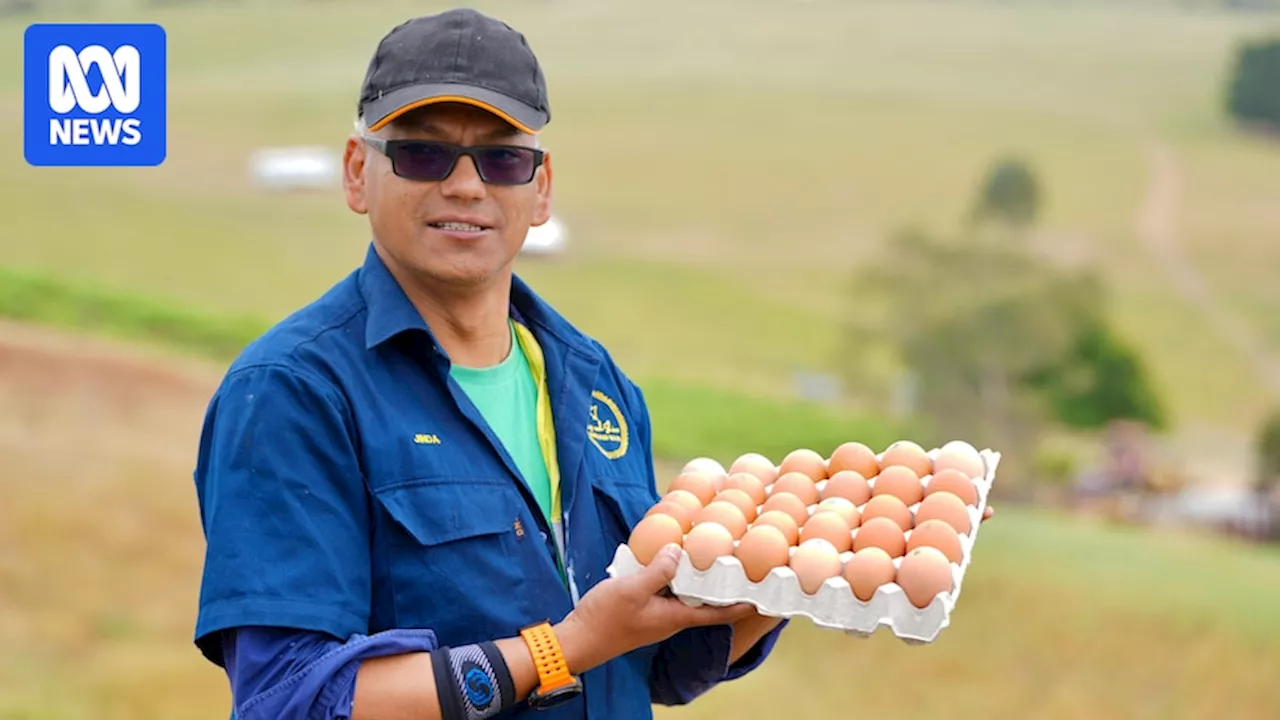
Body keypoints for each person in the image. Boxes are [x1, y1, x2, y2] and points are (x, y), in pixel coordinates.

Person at [190, 8, 788, 719]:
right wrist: (560, 649)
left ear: (540, 188)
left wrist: (779, 586)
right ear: (357, 173)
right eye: (422, 153)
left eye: (503, 158)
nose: (467, 186)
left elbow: (649, 665)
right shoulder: (294, 393)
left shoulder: (595, 385)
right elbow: (289, 700)